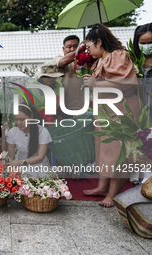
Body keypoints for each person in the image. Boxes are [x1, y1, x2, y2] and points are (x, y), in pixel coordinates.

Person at [82, 23, 142, 207]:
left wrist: (95, 84)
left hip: (122, 111)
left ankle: (112, 194)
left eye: (89, 46)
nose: (88, 50)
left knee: (119, 153)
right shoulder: (101, 59)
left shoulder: (118, 55)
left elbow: (126, 83)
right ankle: (102, 187)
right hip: (106, 111)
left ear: (99, 42)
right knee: (103, 149)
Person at [4, 104, 52, 178]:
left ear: (31, 117)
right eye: (16, 119)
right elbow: (10, 156)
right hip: (20, 166)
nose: (18, 123)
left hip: (39, 167)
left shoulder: (42, 131)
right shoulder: (13, 132)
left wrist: (20, 162)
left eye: (22, 119)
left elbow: (40, 158)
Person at [52, 35, 85, 118]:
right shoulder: (58, 58)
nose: (72, 49)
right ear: (63, 49)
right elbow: (62, 62)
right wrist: (80, 49)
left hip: (81, 108)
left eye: (75, 46)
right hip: (61, 109)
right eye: (69, 47)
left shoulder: (86, 62)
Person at [133, 22, 152, 127]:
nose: (147, 46)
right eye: (143, 43)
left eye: (150, 42)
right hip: (139, 123)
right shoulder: (131, 65)